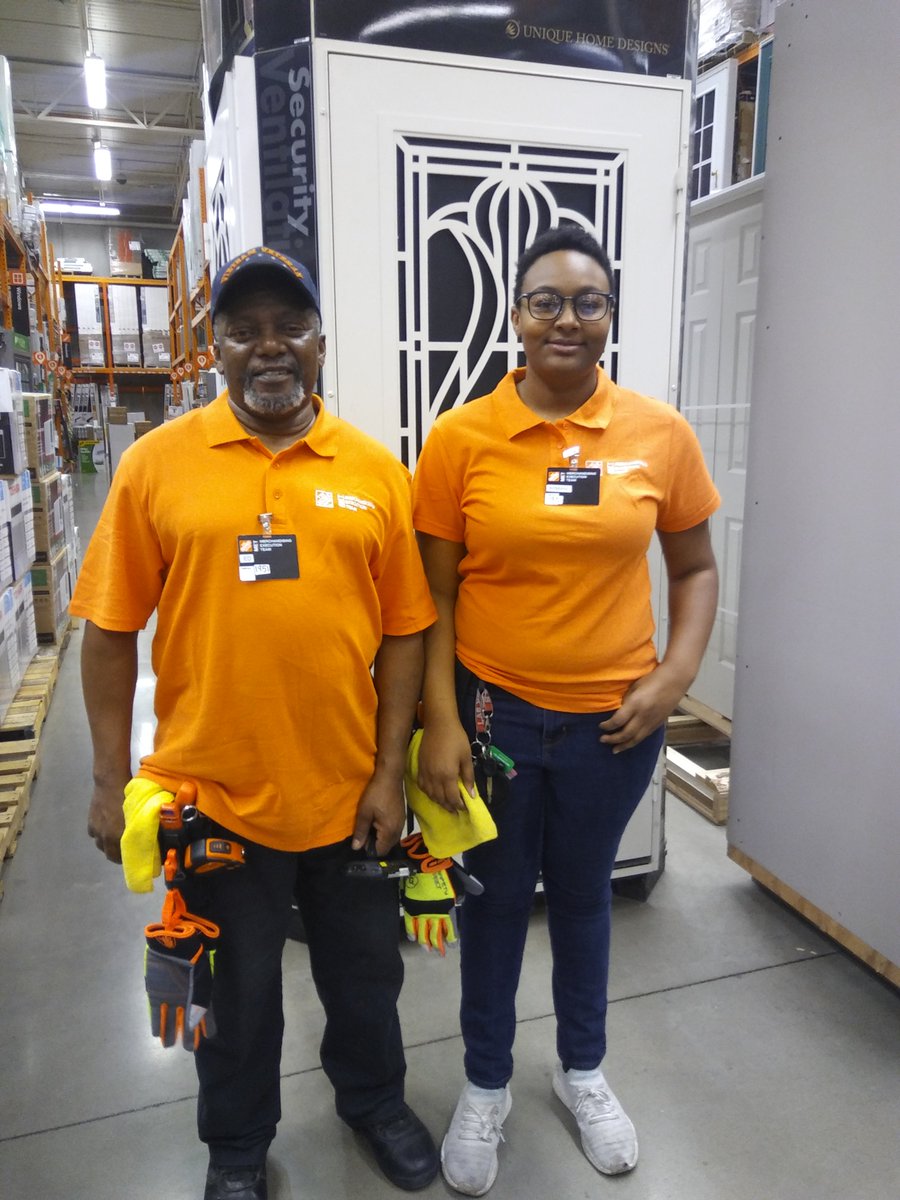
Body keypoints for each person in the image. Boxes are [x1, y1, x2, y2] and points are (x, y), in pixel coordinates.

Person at [71, 246, 441, 1200]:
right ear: (213, 345)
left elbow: (406, 631)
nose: (269, 347)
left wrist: (388, 772)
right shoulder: (158, 466)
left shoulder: (372, 470)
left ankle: (374, 1102)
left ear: (320, 341)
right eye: (243, 330)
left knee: (366, 978)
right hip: (213, 795)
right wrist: (112, 782)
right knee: (230, 996)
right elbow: (109, 634)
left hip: (346, 788)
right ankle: (236, 1145)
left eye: (290, 327)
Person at [411, 224, 720, 1196]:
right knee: (497, 906)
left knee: (585, 900)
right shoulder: (462, 439)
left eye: (588, 302)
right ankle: (486, 1084)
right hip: (494, 727)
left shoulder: (658, 436)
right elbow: (433, 600)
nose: (567, 319)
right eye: (546, 300)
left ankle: (582, 1071)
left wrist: (672, 679)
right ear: (516, 315)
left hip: (613, 731)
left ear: (608, 318)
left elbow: (697, 567)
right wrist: (445, 721)